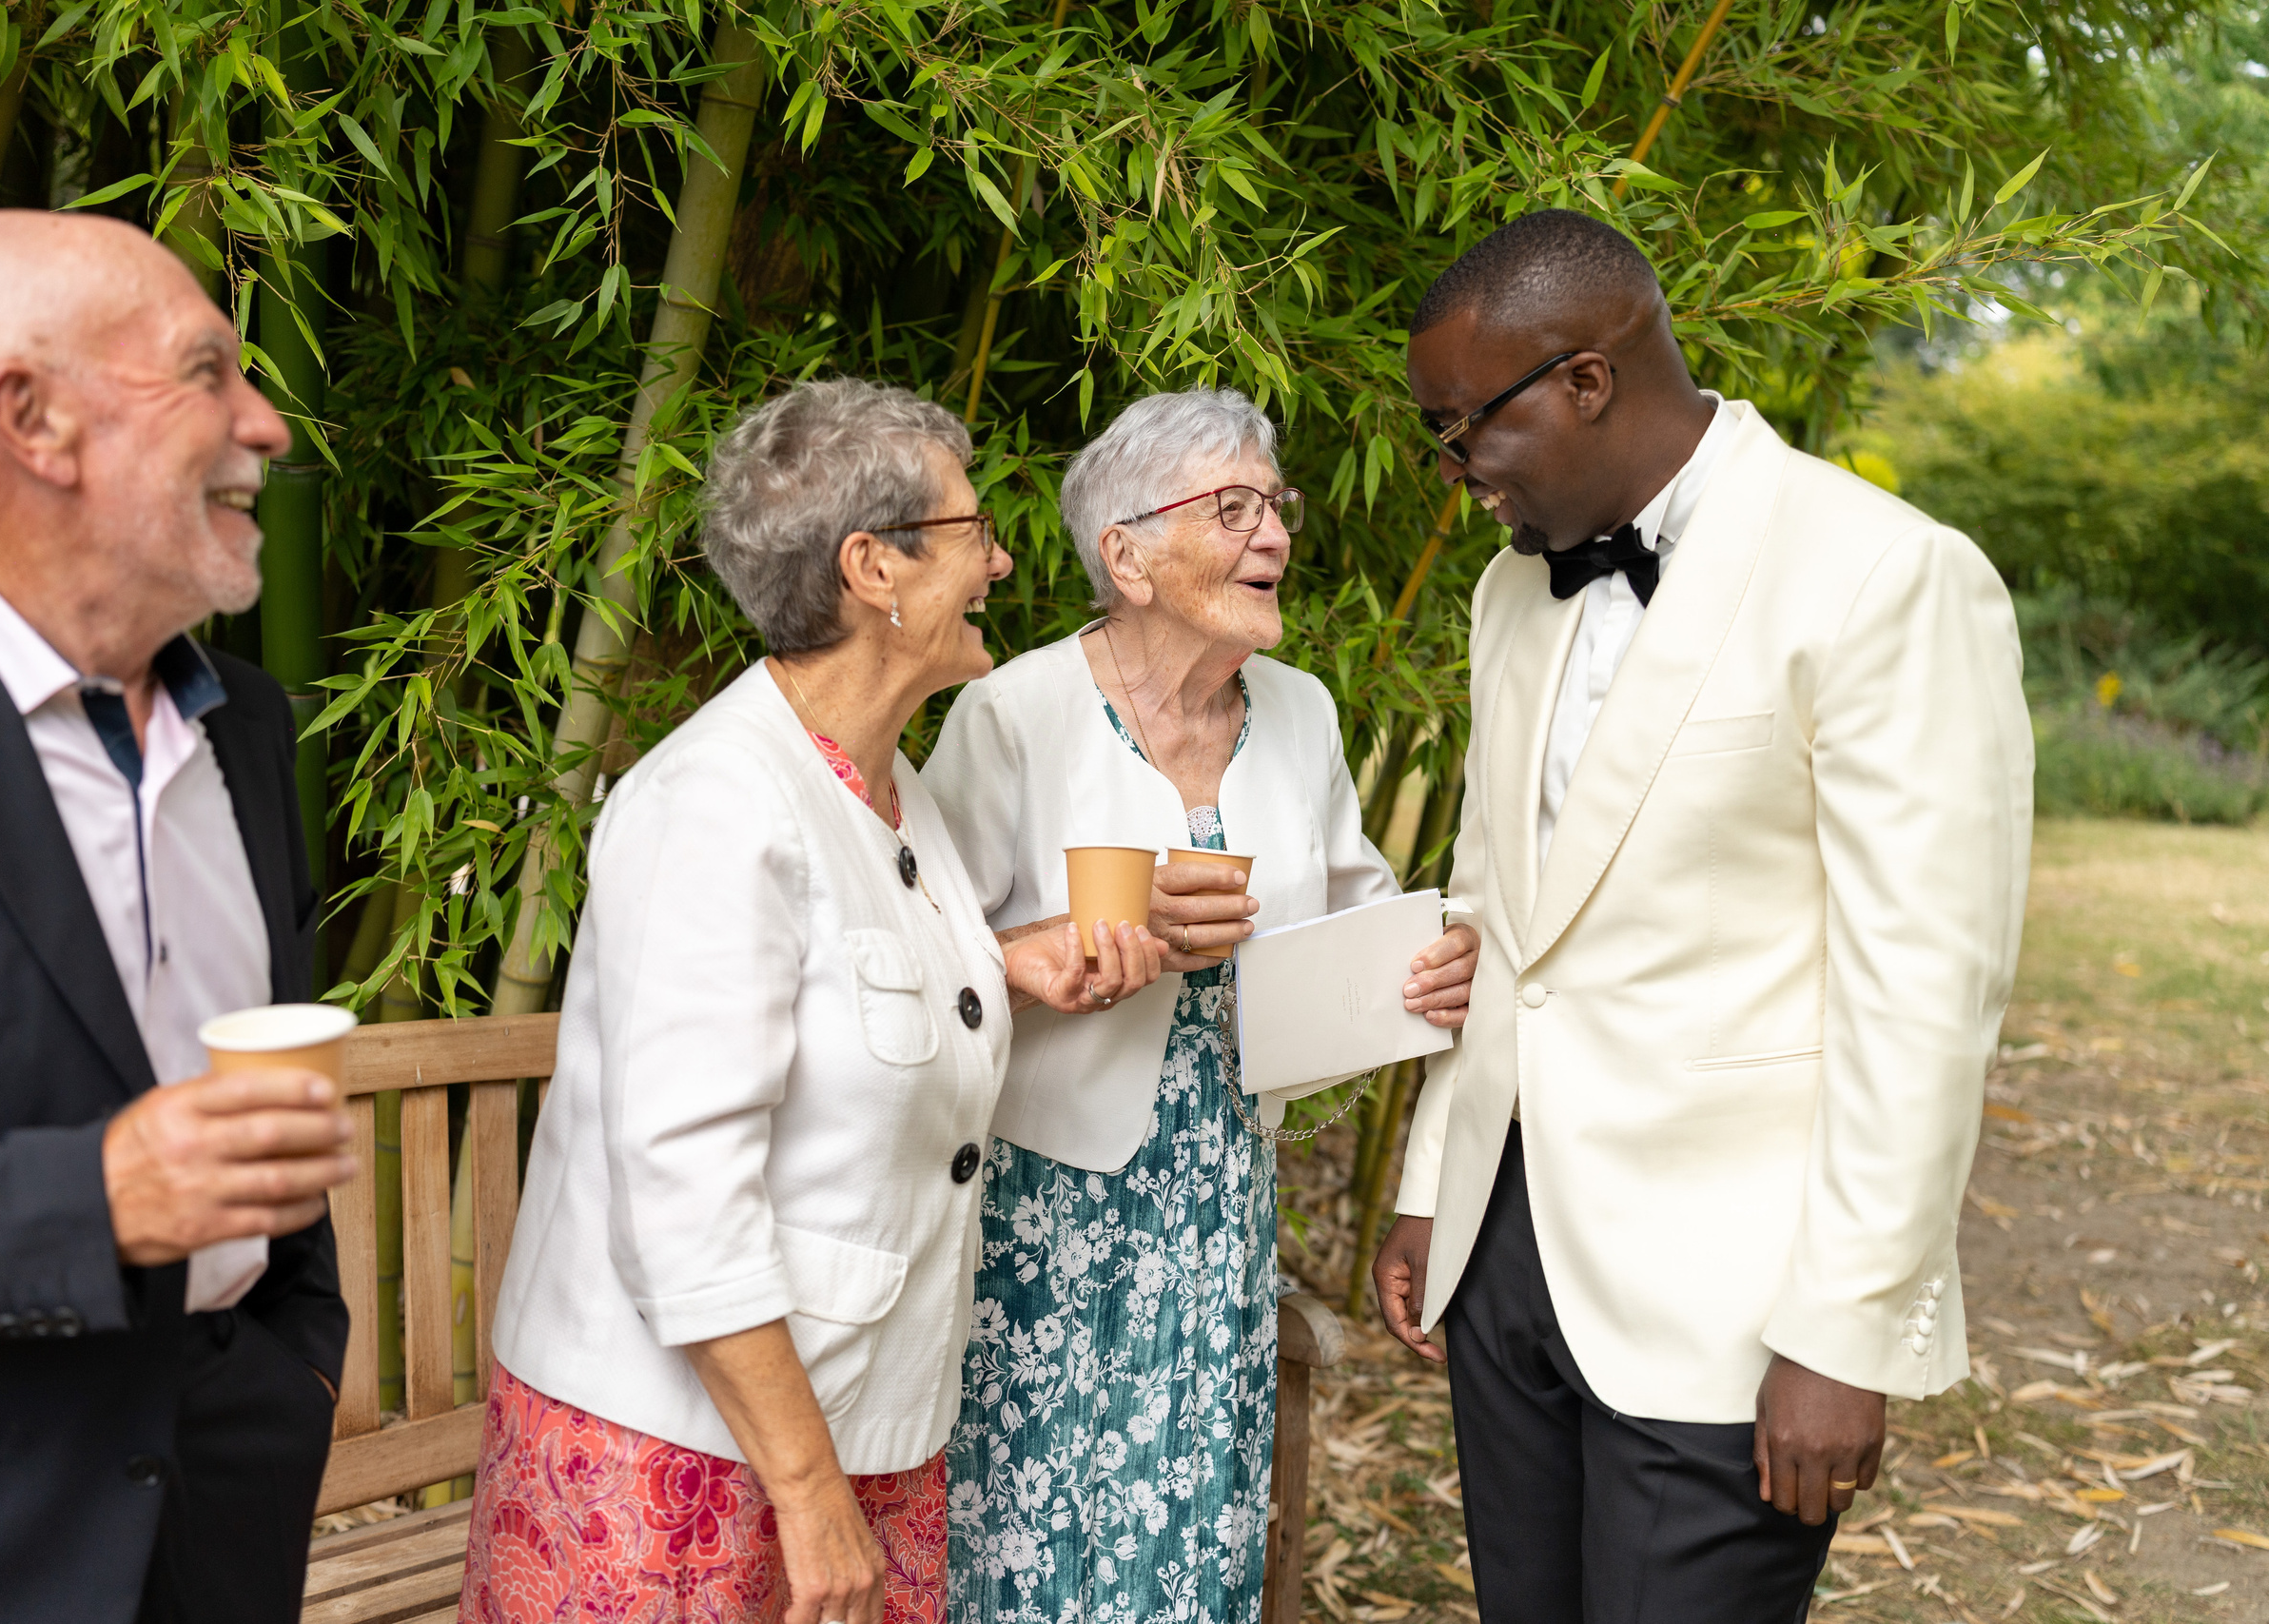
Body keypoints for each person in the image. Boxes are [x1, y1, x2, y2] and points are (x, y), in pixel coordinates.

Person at [1372, 208, 2034, 1620]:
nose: (1452, 475)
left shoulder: (1880, 576)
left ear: (1586, 382)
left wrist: (1844, 1331)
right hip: (1508, 1271)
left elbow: (1920, 999)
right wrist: (1439, 1179)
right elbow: (1497, 916)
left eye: (1463, 429)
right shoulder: (1511, 592)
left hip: (1733, 1307)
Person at [464, 379, 1165, 1624]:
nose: (1004, 560)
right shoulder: (716, 806)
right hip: (692, 1455)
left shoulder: (895, 792)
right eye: (972, 532)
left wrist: (1001, 961)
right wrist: (807, 1486)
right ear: (872, 570)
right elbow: (682, 1189)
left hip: (858, 1428)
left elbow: (841, 982)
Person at [0, 210, 359, 1623]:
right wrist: (92, 1204)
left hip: (230, 1510)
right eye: (208, 372)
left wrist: (297, 1355)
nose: (269, 425)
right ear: (35, 420)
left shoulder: (248, 725)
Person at [921, 388, 1479, 1623]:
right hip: (1040, 1203)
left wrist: (1430, 966)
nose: (1273, 534)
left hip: (1221, 1188)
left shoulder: (1303, 711)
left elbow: (1362, 908)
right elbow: (924, 950)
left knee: (1187, 1523)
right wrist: (1051, 944)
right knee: (1029, 1527)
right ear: (1125, 554)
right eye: (1231, 509)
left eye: (1273, 506)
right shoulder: (1014, 714)